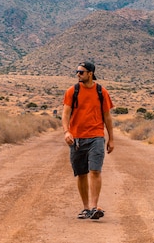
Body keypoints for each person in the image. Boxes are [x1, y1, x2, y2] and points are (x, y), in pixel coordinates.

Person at [62, 61, 114, 220]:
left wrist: (111, 138)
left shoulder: (101, 92)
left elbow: (107, 116)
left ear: (90, 73)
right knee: (82, 173)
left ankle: (93, 207)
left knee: (95, 170)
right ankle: (86, 208)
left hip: (96, 137)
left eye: (81, 72)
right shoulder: (72, 91)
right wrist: (66, 132)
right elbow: (65, 114)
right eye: (77, 71)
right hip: (77, 138)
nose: (78, 74)